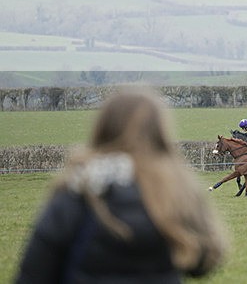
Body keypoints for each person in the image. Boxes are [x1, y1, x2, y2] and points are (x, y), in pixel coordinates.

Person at [15, 87, 227, 284]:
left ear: (103, 129)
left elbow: (34, 273)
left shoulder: (75, 189)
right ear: (160, 133)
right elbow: (206, 260)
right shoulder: (177, 190)